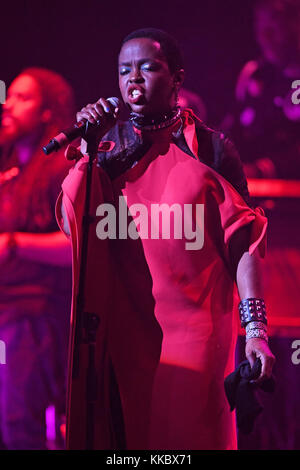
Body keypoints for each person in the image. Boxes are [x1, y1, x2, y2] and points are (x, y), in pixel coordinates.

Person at [57, 28, 275, 450]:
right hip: (119, 336)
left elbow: (245, 243)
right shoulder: (104, 150)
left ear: (177, 78)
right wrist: (87, 150)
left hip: (195, 335)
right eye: (124, 70)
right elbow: (72, 226)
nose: (133, 78)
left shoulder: (211, 149)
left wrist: (256, 329)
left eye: (147, 67)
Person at [0, 67, 74, 449]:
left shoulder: (60, 168)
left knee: (19, 424)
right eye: (8, 96)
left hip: (37, 316)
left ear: (47, 112)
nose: (8, 106)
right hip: (8, 311)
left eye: (22, 98)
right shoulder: (12, 170)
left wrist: (13, 244)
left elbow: (78, 247)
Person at [221, 0, 300, 179]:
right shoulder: (254, 74)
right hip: (255, 193)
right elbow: (232, 131)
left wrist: (262, 170)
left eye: (274, 25)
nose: (265, 36)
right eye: (260, 26)